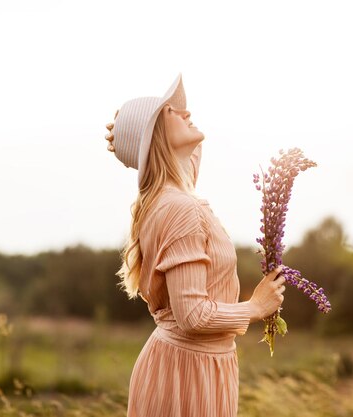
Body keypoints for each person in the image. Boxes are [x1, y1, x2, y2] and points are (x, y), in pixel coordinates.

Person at [104, 73, 287, 417]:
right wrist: (255, 306)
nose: (187, 114)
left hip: (196, 364)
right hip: (187, 370)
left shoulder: (171, 200)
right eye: (173, 111)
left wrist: (136, 136)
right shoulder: (180, 209)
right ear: (157, 135)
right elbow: (192, 316)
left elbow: (190, 151)